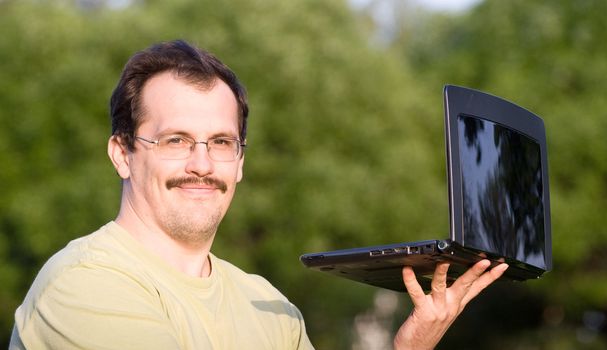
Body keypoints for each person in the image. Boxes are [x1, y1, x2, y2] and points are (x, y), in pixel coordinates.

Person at [10, 40, 508, 349]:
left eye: (221, 143)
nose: (202, 165)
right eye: (176, 140)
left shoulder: (268, 306)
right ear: (121, 153)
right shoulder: (86, 286)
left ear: (240, 162)